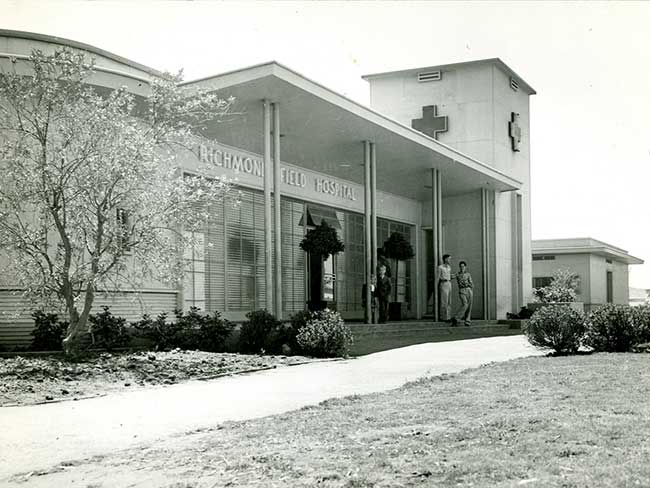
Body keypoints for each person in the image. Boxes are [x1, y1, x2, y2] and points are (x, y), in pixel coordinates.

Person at [451, 261, 474, 327]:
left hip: (469, 290)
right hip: (462, 290)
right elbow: (451, 277)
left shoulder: (468, 274)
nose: (462, 268)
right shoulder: (457, 274)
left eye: (463, 266)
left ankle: (467, 321)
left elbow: (472, 284)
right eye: (460, 266)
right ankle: (456, 318)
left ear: (465, 267)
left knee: (469, 306)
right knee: (465, 304)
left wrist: (468, 284)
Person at [438, 254, 454, 322]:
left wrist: (452, 276)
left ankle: (448, 317)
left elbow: (448, 275)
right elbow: (438, 277)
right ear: (445, 259)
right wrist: (437, 286)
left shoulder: (449, 267)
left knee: (449, 301)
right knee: (444, 301)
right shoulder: (440, 267)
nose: (450, 260)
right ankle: (443, 317)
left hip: (449, 283)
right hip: (443, 283)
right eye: (449, 259)